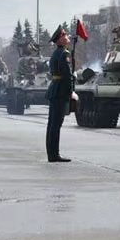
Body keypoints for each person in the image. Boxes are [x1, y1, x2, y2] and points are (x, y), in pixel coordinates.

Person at [45, 26, 74, 163]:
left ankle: (51, 153)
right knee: (56, 124)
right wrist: (70, 91)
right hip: (61, 90)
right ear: (60, 40)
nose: (67, 36)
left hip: (54, 89)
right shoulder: (64, 54)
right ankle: (54, 155)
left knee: (52, 123)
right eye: (65, 35)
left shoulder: (56, 53)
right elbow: (68, 76)